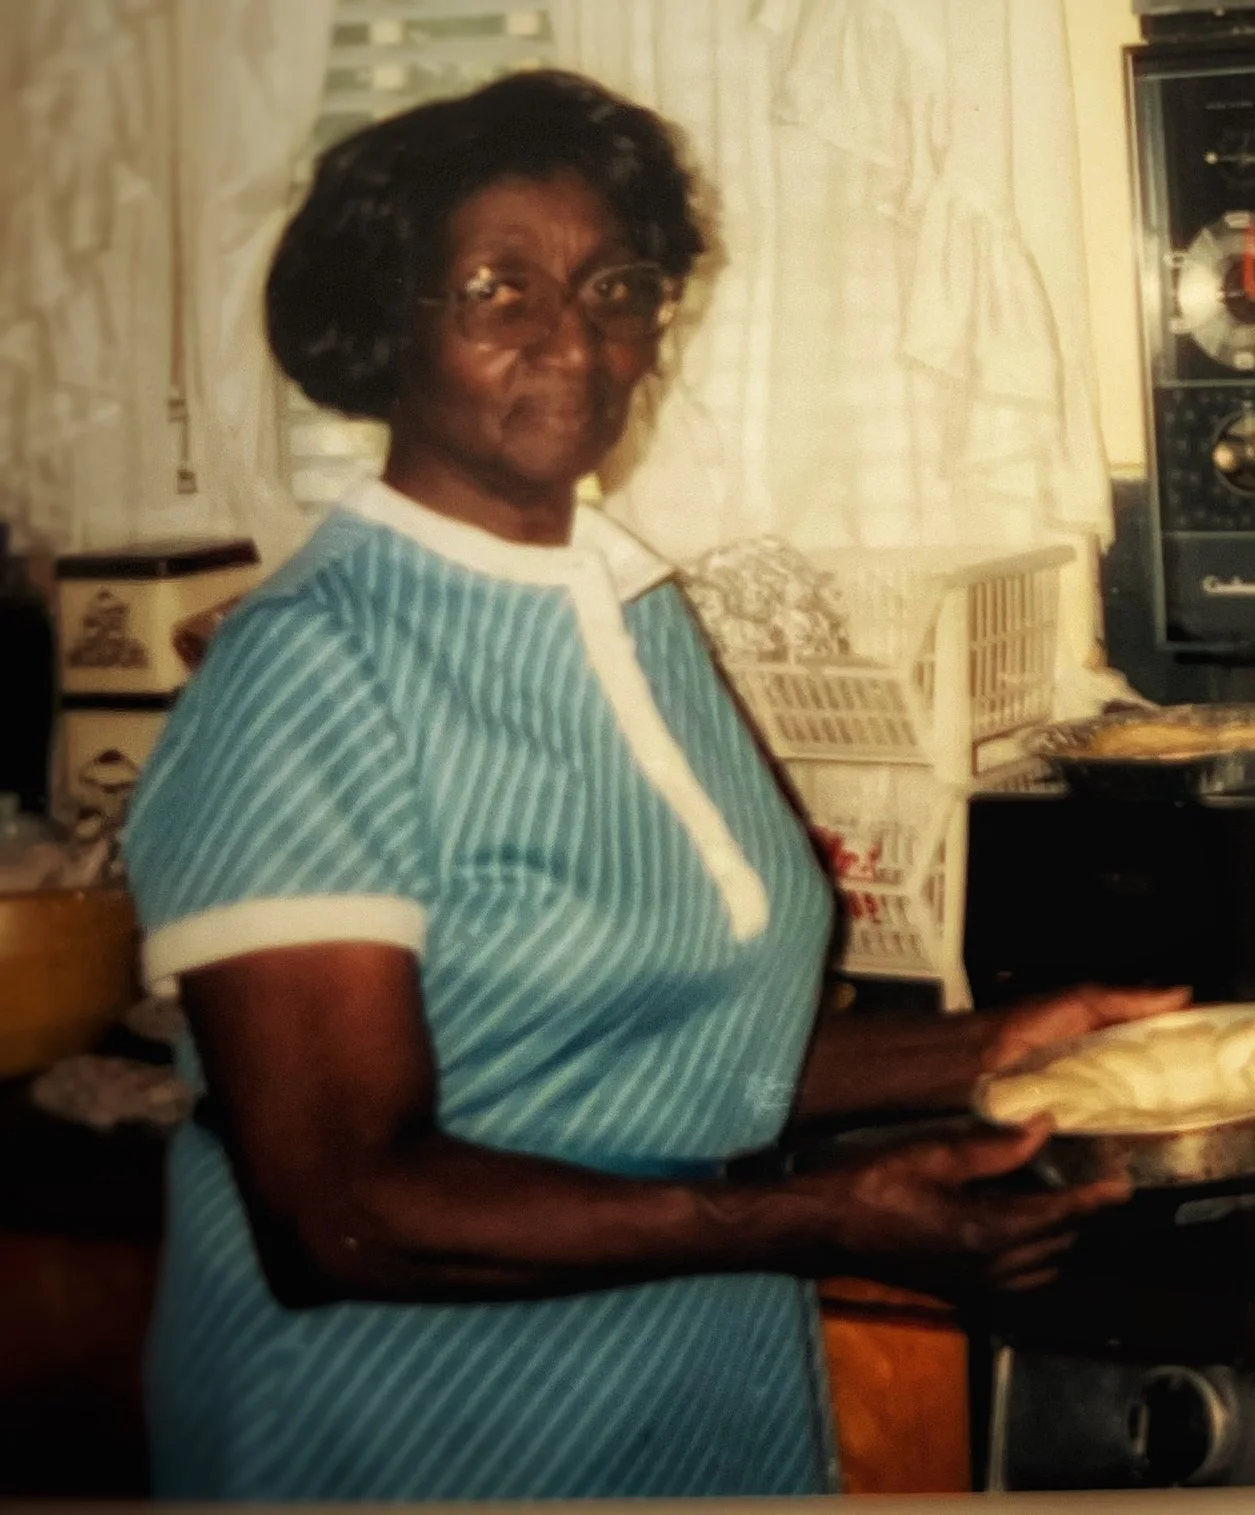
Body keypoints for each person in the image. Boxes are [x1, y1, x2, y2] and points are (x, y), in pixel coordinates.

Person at [121, 70, 1182, 1502]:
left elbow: (650, 1060)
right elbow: (345, 1208)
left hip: (686, 1414)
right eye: (499, 288)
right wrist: (815, 1216)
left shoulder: (632, 611)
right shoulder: (313, 668)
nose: (574, 336)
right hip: (402, 1440)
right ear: (384, 329)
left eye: (616, 283)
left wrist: (1002, 1046)